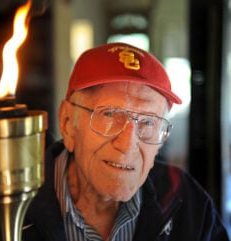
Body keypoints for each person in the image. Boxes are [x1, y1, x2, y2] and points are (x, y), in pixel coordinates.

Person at [22, 42, 230, 241]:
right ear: (67, 123)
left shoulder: (185, 199)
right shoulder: (11, 201)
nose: (127, 145)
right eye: (110, 115)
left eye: (148, 122)